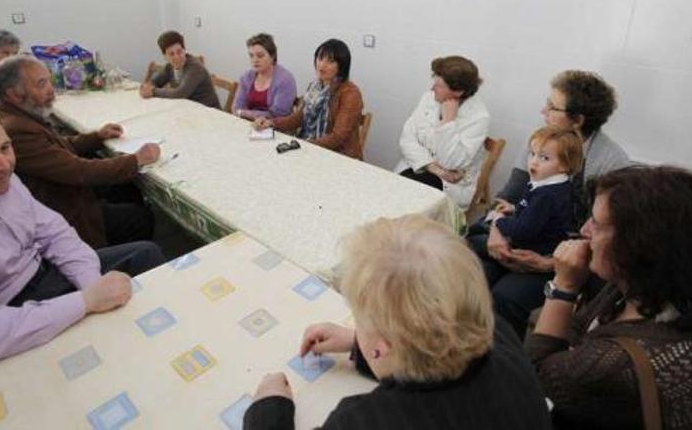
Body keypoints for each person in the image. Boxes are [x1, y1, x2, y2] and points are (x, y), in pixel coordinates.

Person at [0, 101, 165, 372]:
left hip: (45, 273)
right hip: (6, 308)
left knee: (145, 253)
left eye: (5, 147)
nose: (4, 164)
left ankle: (148, 347)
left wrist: (90, 283)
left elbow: (54, 232)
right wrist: (84, 302)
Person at [243, 215, 551, 429]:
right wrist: (356, 344)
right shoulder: (501, 333)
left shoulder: (365, 421)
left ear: (380, 347)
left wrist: (269, 408)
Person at [526, 166, 692, 429]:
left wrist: (564, 286)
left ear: (640, 246)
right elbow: (580, 327)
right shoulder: (685, 298)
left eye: (597, 224)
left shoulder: (613, 365)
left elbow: (534, 377)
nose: (584, 230)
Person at [468, 70, 629, 285]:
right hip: (516, 234)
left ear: (578, 120)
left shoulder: (612, 163)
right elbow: (509, 194)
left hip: (563, 254)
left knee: (506, 298)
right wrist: (496, 233)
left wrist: (549, 263)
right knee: (470, 275)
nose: (543, 111)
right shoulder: (540, 141)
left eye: (552, 107)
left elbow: (604, 239)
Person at [0, 55, 161, 248]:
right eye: (41, 84)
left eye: (49, 81)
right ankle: (118, 263)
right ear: (14, 94)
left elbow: (56, 145)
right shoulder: (16, 130)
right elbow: (79, 171)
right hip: (66, 210)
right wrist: (137, 159)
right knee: (139, 217)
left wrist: (97, 136)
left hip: (64, 191)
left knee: (126, 187)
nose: (51, 90)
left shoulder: (10, 112)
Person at [480, 126, 582, 338]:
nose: (533, 162)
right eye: (532, 154)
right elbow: (533, 212)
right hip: (531, 244)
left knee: (471, 246)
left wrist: (499, 221)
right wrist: (515, 209)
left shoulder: (547, 194)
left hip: (534, 252)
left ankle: (504, 342)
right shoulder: (545, 183)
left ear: (564, 165)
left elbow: (524, 230)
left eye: (544, 158)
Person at [395, 56, 489, 210]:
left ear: (458, 91)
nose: (432, 89)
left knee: (403, 199)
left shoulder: (478, 117)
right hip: (419, 170)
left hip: (449, 186)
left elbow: (451, 162)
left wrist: (448, 122)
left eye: (439, 85)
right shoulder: (428, 98)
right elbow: (407, 140)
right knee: (395, 193)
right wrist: (433, 168)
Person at [253, 39, 364, 159]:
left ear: (342, 66)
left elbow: (337, 137)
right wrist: (271, 123)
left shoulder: (350, 94)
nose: (322, 65)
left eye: (330, 61)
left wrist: (303, 146)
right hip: (311, 149)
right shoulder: (315, 86)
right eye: (320, 58)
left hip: (339, 157)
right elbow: (298, 119)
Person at [139, 30, 220, 109]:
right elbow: (154, 82)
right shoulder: (169, 67)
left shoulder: (195, 68)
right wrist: (147, 87)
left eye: (179, 51)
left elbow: (180, 93)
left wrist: (153, 92)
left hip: (209, 112)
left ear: (184, 50)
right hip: (188, 110)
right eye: (171, 54)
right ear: (165, 56)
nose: (176, 57)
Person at [233, 33, 297, 120]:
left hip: (275, 129)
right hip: (247, 124)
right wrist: (245, 114)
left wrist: (244, 113)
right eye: (251, 56)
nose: (255, 60)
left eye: (260, 56)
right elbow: (236, 108)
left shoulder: (285, 80)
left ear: (272, 56)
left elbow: (277, 115)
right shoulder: (246, 77)